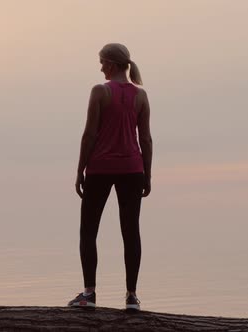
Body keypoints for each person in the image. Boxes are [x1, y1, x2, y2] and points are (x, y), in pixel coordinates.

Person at [67, 43, 153, 311]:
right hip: (132, 169)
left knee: (88, 231)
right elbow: (146, 139)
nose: (101, 67)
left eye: (102, 62)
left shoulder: (100, 91)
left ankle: (89, 294)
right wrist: (147, 174)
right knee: (131, 232)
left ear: (113, 65)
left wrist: (80, 169)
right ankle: (132, 298)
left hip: (100, 169)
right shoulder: (141, 96)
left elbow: (89, 134)